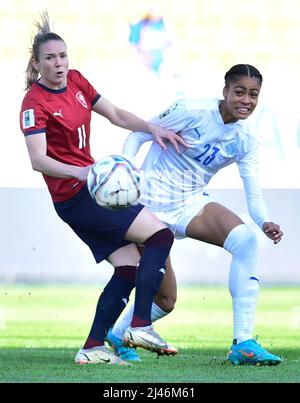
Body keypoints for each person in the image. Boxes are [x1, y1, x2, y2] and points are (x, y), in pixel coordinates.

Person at [19, 12, 188, 365]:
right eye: (50, 58)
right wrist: (82, 173)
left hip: (88, 191)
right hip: (77, 196)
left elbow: (115, 113)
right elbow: (38, 159)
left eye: (63, 55)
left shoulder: (78, 81)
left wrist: (151, 127)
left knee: (127, 267)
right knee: (159, 236)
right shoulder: (34, 103)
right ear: (36, 63)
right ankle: (140, 324)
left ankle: (92, 348)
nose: (59, 63)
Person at [108, 64, 284, 366]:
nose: (246, 100)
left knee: (246, 241)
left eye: (253, 95)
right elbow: (139, 134)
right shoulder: (189, 110)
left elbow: (253, 193)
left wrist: (263, 221)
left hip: (190, 204)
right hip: (148, 208)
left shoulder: (246, 141)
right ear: (225, 91)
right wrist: (126, 168)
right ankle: (117, 334)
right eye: (239, 92)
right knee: (166, 302)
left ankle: (243, 342)